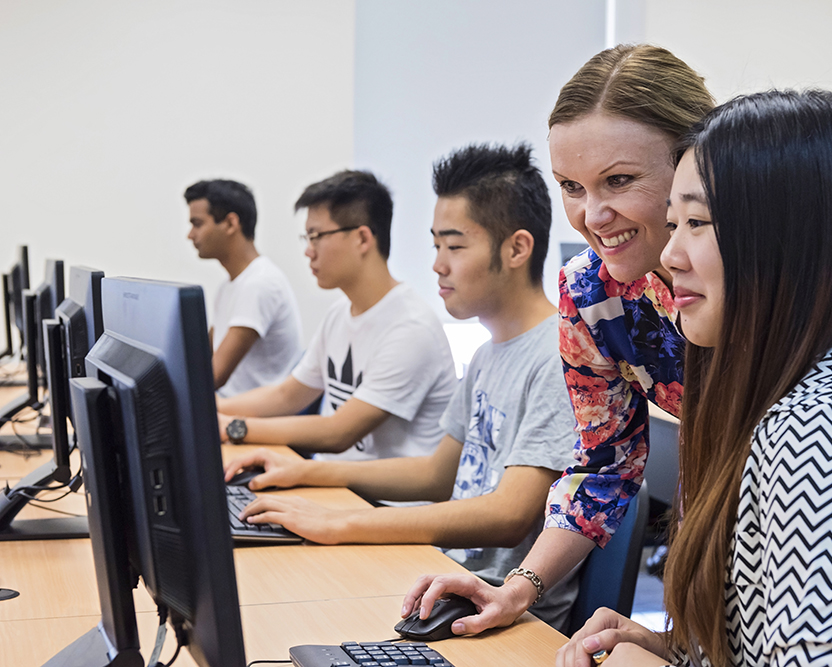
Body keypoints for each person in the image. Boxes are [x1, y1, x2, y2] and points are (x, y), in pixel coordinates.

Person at [559, 89, 832, 667]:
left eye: (697, 222)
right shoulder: (816, 392)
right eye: (672, 224)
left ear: (787, 239)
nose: (670, 256)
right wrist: (679, 652)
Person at [402, 44, 714, 635]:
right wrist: (518, 588)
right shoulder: (595, 293)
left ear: (699, 166)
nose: (592, 216)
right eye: (571, 186)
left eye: (618, 181)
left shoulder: (782, 292)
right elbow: (604, 465)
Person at [222, 143, 581, 629]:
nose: (438, 264)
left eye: (454, 247)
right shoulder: (486, 354)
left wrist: (341, 522)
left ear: (517, 248)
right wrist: (304, 473)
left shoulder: (559, 358)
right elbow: (437, 475)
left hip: (500, 617)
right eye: (436, 246)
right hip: (444, 580)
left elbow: (509, 514)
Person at [216, 170, 456, 460]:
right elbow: (287, 396)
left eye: (316, 236)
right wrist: (209, 409)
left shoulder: (411, 328)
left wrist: (233, 427)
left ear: (362, 238)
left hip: (380, 502)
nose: (308, 251)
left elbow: (338, 432)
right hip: (330, 481)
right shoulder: (339, 313)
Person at [185, 179, 302, 396]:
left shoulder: (260, 284)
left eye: (198, 224)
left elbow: (214, 376)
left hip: (249, 418)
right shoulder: (229, 287)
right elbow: (198, 355)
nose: (190, 235)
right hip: (228, 408)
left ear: (230, 223)